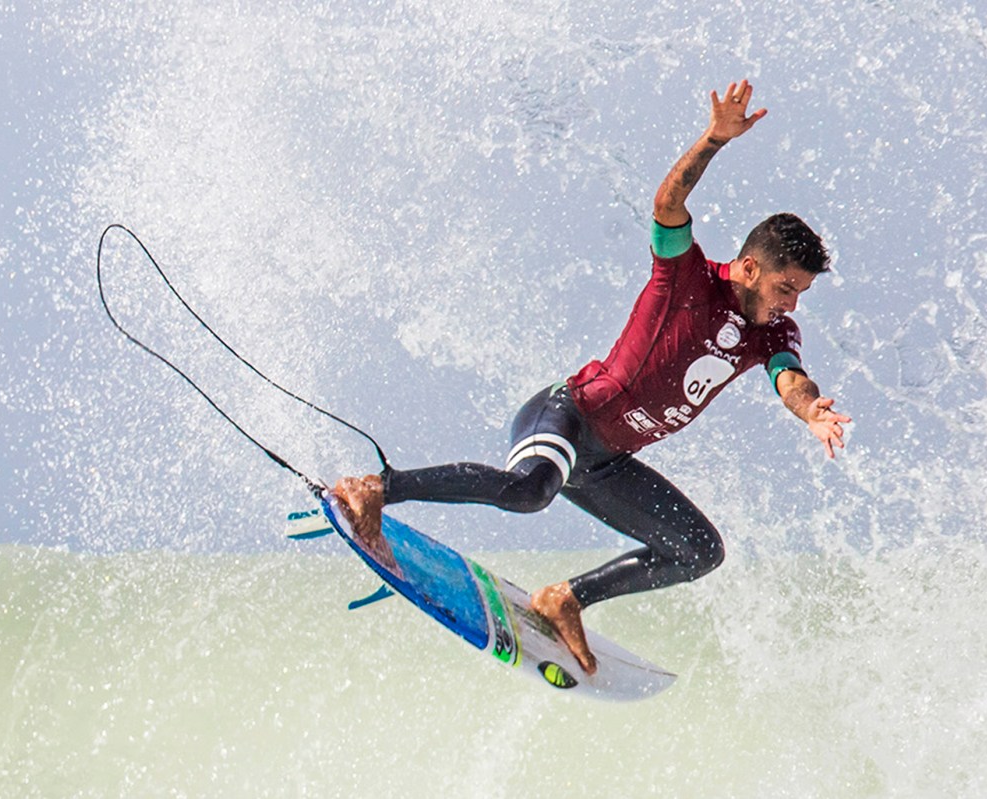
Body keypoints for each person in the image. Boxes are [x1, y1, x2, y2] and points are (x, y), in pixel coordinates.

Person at [334, 79, 851, 675]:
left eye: (800, 294)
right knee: (530, 490)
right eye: (786, 288)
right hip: (567, 416)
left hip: (603, 465)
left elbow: (791, 378)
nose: (790, 304)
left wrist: (811, 411)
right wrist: (713, 139)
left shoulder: (771, 334)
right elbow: (667, 207)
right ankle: (378, 488)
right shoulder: (686, 277)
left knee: (700, 551)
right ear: (751, 267)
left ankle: (564, 598)